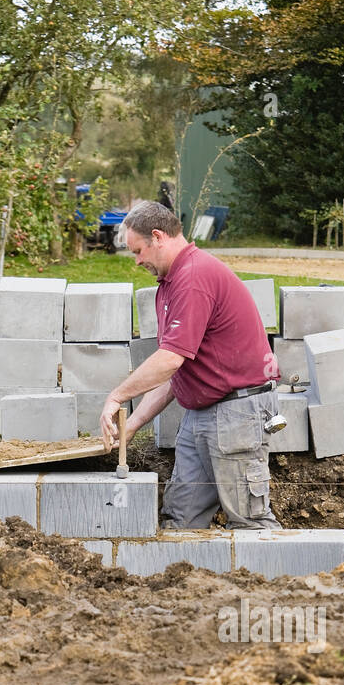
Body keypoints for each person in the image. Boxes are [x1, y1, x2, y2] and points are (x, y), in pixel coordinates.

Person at [100, 200, 281, 530]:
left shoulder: (194, 277)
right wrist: (133, 425)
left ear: (158, 237)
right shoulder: (171, 283)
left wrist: (117, 397)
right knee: (181, 519)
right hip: (202, 414)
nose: (137, 261)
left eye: (138, 250)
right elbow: (177, 372)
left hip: (237, 412)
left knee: (250, 521)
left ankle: (281, 580)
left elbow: (169, 360)